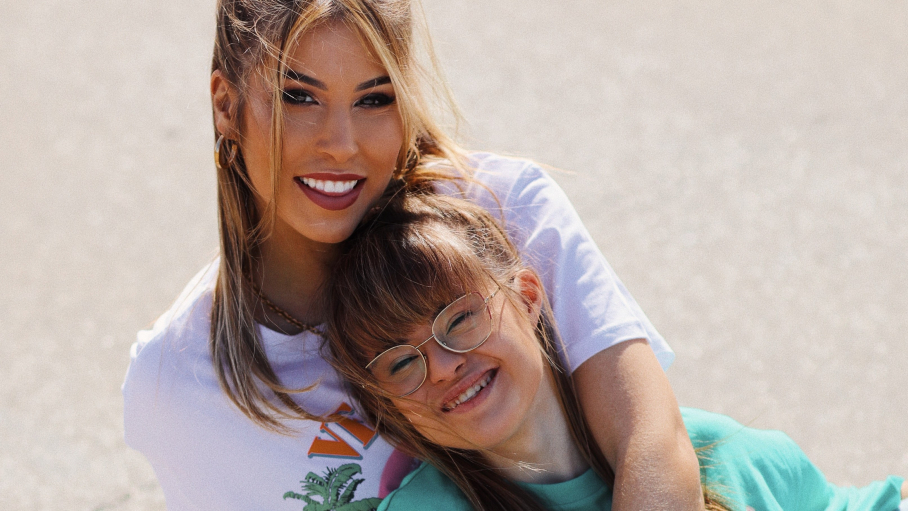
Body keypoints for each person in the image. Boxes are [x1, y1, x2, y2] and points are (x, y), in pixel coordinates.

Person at [121, 1, 705, 509]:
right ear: (226, 105)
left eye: (374, 99)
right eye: (298, 97)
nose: (341, 144)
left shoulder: (502, 213)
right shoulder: (175, 383)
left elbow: (651, 440)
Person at [324, 191, 908, 511]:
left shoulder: (722, 454)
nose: (444, 365)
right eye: (401, 362)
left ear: (527, 297)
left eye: (461, 319)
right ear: (390, 406)